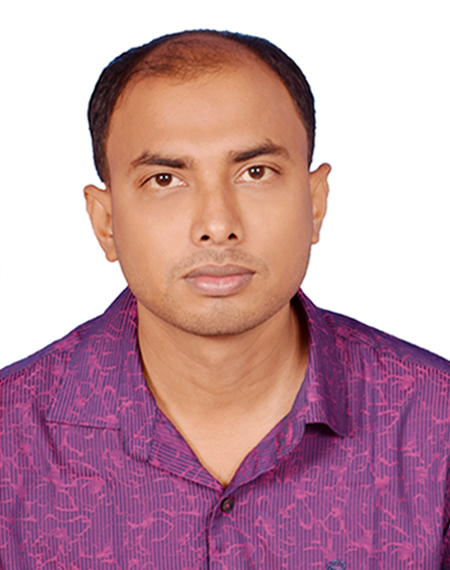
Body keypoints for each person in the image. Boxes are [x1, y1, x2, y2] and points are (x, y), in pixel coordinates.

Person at [1, 29, 449, 570]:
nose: (217, 224)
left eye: (255, 172)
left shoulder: (436, 425)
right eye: (165, 179)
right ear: (106, 221)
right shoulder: (11, 439)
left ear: (315, 203)